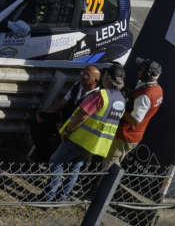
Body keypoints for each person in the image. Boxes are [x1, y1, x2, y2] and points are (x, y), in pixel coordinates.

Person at [43, 66, 125, 202]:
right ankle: (61, 198)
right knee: (75, 168)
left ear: (107, 78)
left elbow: (83, 116)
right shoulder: (121, 100)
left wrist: (68, 130)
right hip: (95, 144)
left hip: (80, 138)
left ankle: (48, 197)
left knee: (56, 161)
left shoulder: (101, 95)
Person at [29, 64, 99, 160]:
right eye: (82, 73)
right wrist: (47, 112)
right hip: (65, 118)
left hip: (77, 126)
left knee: (58, 136)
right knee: (37, 119)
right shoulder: (78, 85)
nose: (82, 76)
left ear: (95, 81)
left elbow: (83, 118)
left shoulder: (96, 96)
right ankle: (44, 155)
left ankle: (48, 157)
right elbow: (63, 101)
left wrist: (66, 127)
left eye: (87, 75)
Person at [116, 60, 164, 162]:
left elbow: (135, 120)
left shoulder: (145, 95)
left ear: (148, 74)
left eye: (140, 69)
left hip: (125, 135)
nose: (138, 71)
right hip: (133, 134)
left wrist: (119, 108)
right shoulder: (158, 89)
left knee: (110, 163)